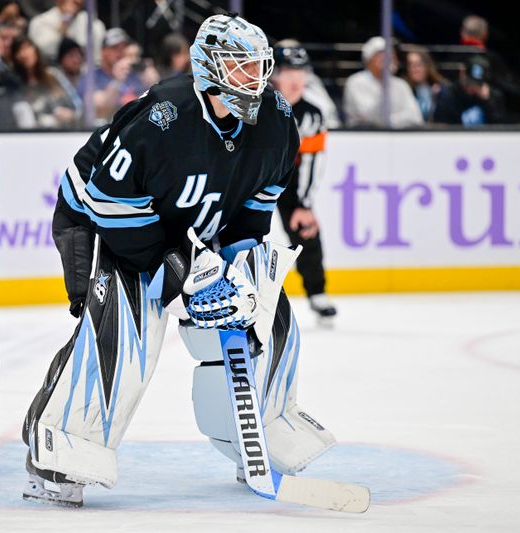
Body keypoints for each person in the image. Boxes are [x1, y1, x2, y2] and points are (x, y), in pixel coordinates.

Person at [21, 13, 335, 507]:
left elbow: (252, 213)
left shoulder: (277, 119)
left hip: (189, 233)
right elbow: (107, 200)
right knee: (128, 328)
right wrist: (184, 270)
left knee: (264, 308)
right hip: (104, 220)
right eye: (240, 68)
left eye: (258, 67)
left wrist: (233, 268)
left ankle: (261, 428)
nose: (255, 79)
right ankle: (61, 443)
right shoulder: (163, 116)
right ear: (208, 68)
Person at [272, 40, 336, 320]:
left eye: (300, 71)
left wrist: (305, 204)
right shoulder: (257, 106)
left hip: (290, 185)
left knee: (307, 230)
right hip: (250, 184)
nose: (295, 79)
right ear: (273, 74)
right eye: (287, 71)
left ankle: (317, 291)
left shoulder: (312, 114)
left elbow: (312, 163)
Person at [343, 36, 423, 128]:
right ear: (369, 59)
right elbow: (370, 118)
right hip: (364, 138)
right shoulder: (356, 82)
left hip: (397, 138)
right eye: (382, 53)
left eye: (392, 52)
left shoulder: (401, 84)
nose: (390, 56)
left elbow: (415, 117)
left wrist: (391, 121)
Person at [11, 36, 81, 128]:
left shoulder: (53, 75)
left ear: (35, 49)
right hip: (35, 134)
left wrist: (71, 114)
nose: (25, 54)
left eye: (28, 47)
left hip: (64, 129)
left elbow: (75, 102)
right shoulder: (15, 82)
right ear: (15, 57)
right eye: (19, 50)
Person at [88, 28, 148, 123]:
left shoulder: (133, 75)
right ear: (103, 51)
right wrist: (117, 81)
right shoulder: (92, 77)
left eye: (124, 48)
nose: (120, 52)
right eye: (115, 48)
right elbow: (99, 109)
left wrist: (152, 82)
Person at [434, 55, 506, 127]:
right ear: (462, 72)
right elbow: (442, 128)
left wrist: (488, 102)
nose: (471, 88)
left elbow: (501, 126)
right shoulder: (447, 97)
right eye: (469, 82)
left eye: (477, 84)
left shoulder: (493, 96)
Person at [28, 0, 105, 63]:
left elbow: (97, 55)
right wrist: (65, 22)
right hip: (52, 72)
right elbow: (48, 51)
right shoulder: (39, 22)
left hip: (86, 74)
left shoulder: (91, 22)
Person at [403, 47, 446, 122]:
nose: (415, 69)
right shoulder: (403, 89)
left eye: (418, 64)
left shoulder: (441, 88)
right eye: (411, 65)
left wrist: (437, 98)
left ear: (427, 66)